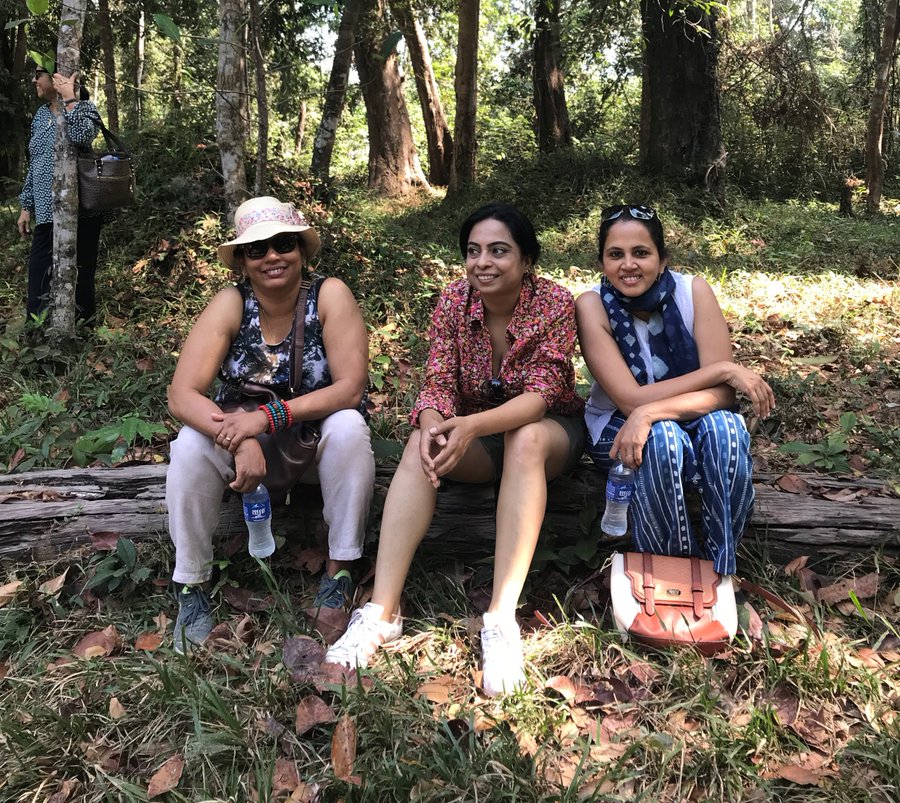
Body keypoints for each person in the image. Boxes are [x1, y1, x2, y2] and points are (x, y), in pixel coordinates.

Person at [326, 202, 586, 696]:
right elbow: (439, 382)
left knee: (524, 438)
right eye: (473, 251)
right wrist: (434, 425)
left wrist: (467, 427)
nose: (482, 262)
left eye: (499, 251)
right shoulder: (454, 301)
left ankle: (501, 619)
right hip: (477, 433)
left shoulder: (554, 303)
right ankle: (382, 612)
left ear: (526, 260)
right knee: (418, 442)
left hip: (547, 430)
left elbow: (541, 395)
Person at [166, 196, 374, 652]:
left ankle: (340, 572)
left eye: (283, 244)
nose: (272, 257)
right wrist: (239, 437)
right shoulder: (231, 302)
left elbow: (350, 388)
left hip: (312, 436)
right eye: (256, 249)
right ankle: (191, 587)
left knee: (350, 430)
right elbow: (182, 394)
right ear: (242, 261)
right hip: (241, 431)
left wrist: (266, 419)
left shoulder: (330, 294)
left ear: (301, 250)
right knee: (186, 446)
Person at [576, 203, 775, 577]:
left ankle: (721, 566)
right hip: (617, 423)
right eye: (615, 254)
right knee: (664, 439)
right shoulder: (591, 305)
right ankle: (667, 568)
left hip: (687, 414)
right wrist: (721, 369)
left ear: (662, 258)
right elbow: (630, 399)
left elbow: (723, 397)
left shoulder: (692, 291)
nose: (628, 265)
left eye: (641, 253)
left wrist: (650, 412)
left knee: (727, 428)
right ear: (602, 261)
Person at [17, 66, 103, 325]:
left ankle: (85, 333)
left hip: (81, 210)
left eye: (39, 74)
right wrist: (26, 205)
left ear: (56, 77)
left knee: (82, 275)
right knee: (39, 272)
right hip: (46, 211)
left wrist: (70, 100)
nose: (34, 80)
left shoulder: (85, 108)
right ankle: (37, 334)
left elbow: (81, 136)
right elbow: (36, 161)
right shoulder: (41, 114)